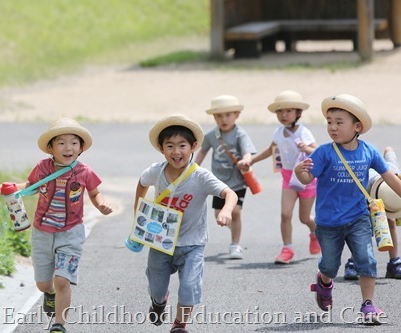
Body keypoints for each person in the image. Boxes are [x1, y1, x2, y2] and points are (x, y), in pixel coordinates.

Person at [295, 94, 401, 324]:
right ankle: (324, 281)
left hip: (359, 218)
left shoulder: (369, 152)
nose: (332, 127)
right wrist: (299, 171)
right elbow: (306, 178)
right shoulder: (323, 152)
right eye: (329, 122)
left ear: (357, 126)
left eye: (339, 122)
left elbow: (389, 178)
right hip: (328, 222)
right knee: (331, 266)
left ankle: (368, 305)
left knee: (366, 259)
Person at [0, 118, 113, 333]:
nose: (68, 147)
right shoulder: (43, 168)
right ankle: (49, 294)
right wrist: (12, 188)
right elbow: (32, 186)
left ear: (80, 148)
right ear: (50, 148)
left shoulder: (84, 172)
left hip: (71, 233)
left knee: (62, 280)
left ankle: (59, 324)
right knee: (44, 284)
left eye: (73, 142)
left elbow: (95, 192)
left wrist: (101, 205)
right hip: (42, 232)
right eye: (61, 143)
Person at [135, 113, 237, 333]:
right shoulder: (156, 171)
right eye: (169, 146)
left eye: (182, 145)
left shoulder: (200, 176)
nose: (176, 151)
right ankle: (159, 302)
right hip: (160, 241)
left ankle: (179, 325)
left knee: (189, 286)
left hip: (193, 242)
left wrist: (226, 210)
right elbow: (142, 183)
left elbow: (230, 193)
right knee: (157, 287)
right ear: (162, 149)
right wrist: (138, 213)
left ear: (194, 147)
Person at [251, 90, 320, 264]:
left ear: (298, 113)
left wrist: (307, 148)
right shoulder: (278, 133)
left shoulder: (304, 132)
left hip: (306, 178)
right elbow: (271, 150)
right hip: (288, 178)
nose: (283, 115)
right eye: (279, 111)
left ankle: (314, 233)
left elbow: (318, 152)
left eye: (288, 111)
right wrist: (252, 160)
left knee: (304, 218)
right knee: (285, 214)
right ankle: (287, 249)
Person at [195, 95, 257, 259]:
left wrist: (246, 160)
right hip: (218, 182)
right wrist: (192, 168)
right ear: (214, 117)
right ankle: (236, 228)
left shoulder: (240, 134)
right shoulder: (211, 136)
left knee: (234, 211)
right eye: (219, 116)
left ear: (237, 114)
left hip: (237, 181)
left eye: (228, 115)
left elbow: (247, 151)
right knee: (218, 214)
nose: (224, 119)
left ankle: (235, 245)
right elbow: (202, 151)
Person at [343, 146, 401, 280]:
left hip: (388, 193)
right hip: (366, 194)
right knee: (363, 226)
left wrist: (387, 151)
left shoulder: (394, 170)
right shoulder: (366, 178)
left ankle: (394, 262)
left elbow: (388, 149)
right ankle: (353, 262)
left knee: (390, 222)